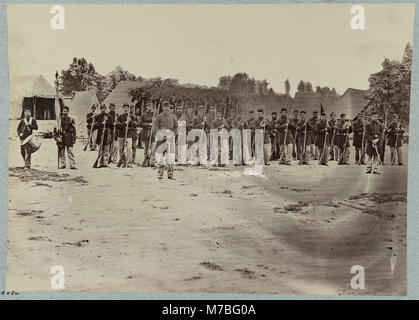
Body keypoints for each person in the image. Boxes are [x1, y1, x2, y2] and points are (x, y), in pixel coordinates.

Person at [154, 101, 178, 180]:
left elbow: (176, 127)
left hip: (170, 138)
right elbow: (156, 128)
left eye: (168, 107)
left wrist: (172, 135)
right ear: (162, 107)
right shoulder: (159, 117)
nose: (166, 108)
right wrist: (162, 136)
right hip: (161, 138)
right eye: (165, 107)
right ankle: (160, 174)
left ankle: (170, 174)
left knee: (170, 156)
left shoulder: (173, 117)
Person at [116, 103, 139, 168]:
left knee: (129, 148)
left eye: (127, 107)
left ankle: (129, 162)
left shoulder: (132, 116)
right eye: (124, 107)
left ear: (128, 108)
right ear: (123, 108)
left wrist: (130, 121)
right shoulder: (120, 116)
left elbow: (136, 124)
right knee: (121, 149)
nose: (126, 108)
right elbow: (117, 125)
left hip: (129, 134)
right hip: (121, 134)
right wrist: (124, 123)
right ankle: (123, 161)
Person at [140, 101, 155, 167]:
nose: (150, 107)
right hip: (146, 132)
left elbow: (158, 124)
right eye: (148, 106)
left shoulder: (155, 115)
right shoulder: (143, 115)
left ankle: (152, 162)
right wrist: (148, 124)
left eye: (151, 106)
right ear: (146, 107)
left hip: (153, 133)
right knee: (146, 148)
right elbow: (140, 124)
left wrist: (154, 123)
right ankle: (146, 161)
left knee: (153, 148)